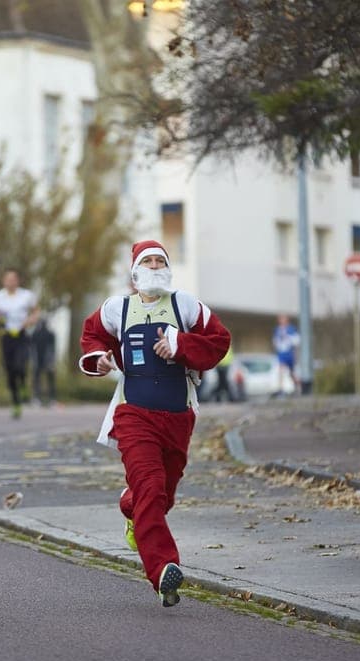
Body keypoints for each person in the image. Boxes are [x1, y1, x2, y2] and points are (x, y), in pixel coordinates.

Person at [78, 240, 230, 608]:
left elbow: (219, 342)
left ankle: (131, 507)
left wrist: (180, 346)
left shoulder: (185, 305)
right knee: (150, 486)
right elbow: (91, 334)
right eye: (148, 260)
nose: (155, 264)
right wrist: (98, 358)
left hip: (178, 416)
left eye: (161, 259)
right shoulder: (118, 308)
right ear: (135, 272)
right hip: (134, 413)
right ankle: (164, 570)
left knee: (161, 495)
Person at [0, 269, 39, 419]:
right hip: (6, 335)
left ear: (18, 280)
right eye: (7, 279)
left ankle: (23, 384)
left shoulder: (26, 296)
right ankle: (16, 402)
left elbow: (36, 312)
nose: (10, 282)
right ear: (4, 281)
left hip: (22, 335)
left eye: (13, 279)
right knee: (10, 370)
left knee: (20, 365)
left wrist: (30, 320)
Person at [31, 314, 58, 407]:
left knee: (49, 380)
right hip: (38, 359)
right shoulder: (35, 334)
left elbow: (52, 349)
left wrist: (51, 361)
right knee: (37, 380)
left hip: (47, 360)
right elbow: (32, 348)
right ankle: (37, 398)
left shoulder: (50, 334)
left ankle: (51, 399)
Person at [272, 313, 301, 395]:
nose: (281, 320)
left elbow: (297, 341)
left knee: (292, 373)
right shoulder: (277, 329)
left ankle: (298, 386)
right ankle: (281, 389)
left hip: (289, 353)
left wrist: (288, 338)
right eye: (280, 319)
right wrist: (276, 345)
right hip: (282, 353)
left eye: (283, 319)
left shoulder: (291, 329)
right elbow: (275, 340)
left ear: (287, 320)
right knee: (281, 370)